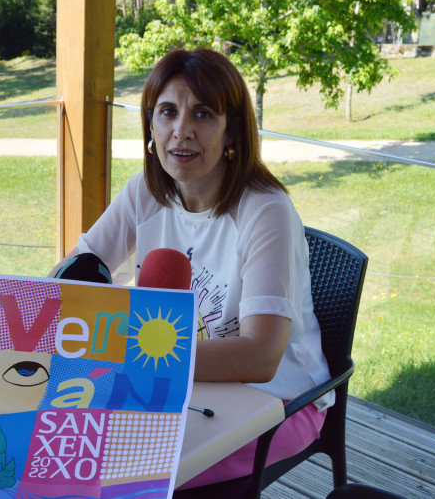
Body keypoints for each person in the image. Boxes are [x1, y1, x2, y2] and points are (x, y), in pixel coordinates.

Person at [49, 47, 332, 490]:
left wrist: (133, 356)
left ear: (231, 131)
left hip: (276, 402)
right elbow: (76, 273)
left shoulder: (266, 212)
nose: (181, 131)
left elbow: (260, 355)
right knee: (63, 441)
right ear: (150, 126)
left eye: (202, 114)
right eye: (167, 112)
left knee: (115, 471)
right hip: (178, 385)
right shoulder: (145, 191)